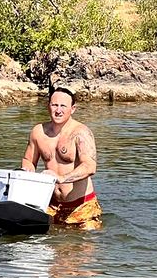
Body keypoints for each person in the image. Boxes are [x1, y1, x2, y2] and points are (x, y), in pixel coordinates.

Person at [20, 86, 102, 230]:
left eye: (63, 106)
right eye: (54, 105)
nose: (58, 110)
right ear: (48, 106)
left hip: (81, 206)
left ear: (73, 108)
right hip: (50, 204)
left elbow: (90, 167)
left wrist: (62, 177)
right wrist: (27, 173)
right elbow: (28, 160)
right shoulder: (38, 132)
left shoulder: (81, 133)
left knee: (83, 247)